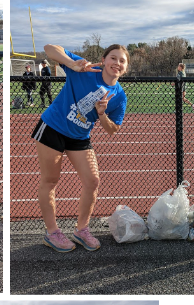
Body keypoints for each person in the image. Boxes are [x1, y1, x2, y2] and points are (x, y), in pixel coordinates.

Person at [33, 43, 128, 252]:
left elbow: (112, 130)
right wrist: (71, 64)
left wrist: (102, 113)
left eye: (122, 61)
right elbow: (49, 48)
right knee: (50, 180)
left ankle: (81, 230)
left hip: (79, 136)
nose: (117, 63)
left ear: (125, 68)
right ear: (104, 60)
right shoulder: (85, 69)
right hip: (53, 127)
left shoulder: (119, 96)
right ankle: (52, 232)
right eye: (113, 58)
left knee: (92, 180)